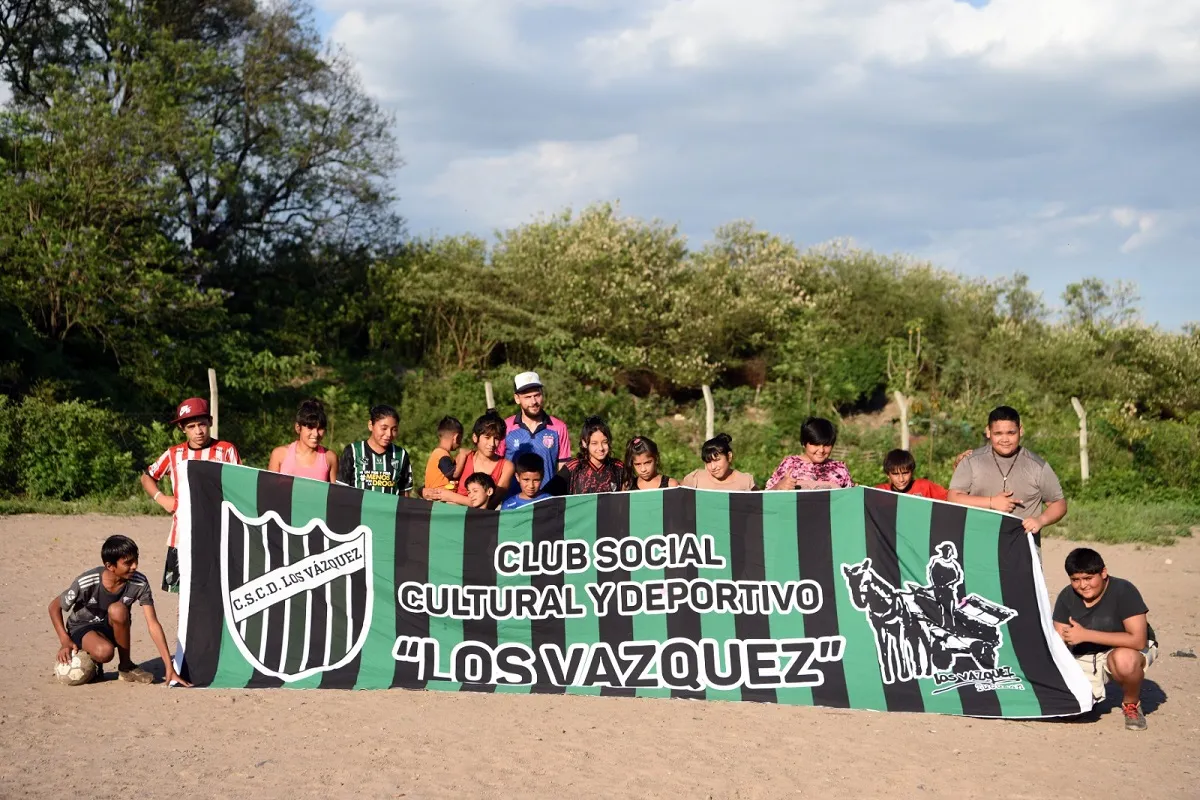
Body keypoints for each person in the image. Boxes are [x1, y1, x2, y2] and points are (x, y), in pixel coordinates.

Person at [49, 535, 190, 686]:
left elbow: (153, 624)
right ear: (110, 566)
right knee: (105, 652)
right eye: (128, 563)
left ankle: (126, 667)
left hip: (111, 627)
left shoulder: (139, 583)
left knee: (118, 609)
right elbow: (54, 607)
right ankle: (89, 657)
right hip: (82, 627)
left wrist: (170, 667)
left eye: (136, 560)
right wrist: (65, 640)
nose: (135, 566)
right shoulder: (87, 581)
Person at [141, 396, 241, 592]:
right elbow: (147, 477)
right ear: (182, 428)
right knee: (182, 594)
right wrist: (161, 498)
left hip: (218, 533)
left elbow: (239, 485)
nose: (198, 431)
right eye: (192, 426)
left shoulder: (226, 451)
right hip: (181, 535)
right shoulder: (173, 454)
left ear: (210, 422)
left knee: (218, 591)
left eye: (202, 424)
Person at [1053, 547, 1158, 731]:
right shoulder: (1066, 596)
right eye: (1075, 580)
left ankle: (1131, 704)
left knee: (1124, 660)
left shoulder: (1124, 590)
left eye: (1088, 578)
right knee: (1069, 712)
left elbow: (1138, 641)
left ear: (1103, 572)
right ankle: (1089, 698)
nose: (1082, 585)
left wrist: (1085, 635)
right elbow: (1058, 641)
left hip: (1126, 649)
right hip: (1084, 654)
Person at [947, 405, 1067, 534]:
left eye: (1011, 433)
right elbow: (953, 498)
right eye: (998, 433)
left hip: (1022, 546)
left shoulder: (1038, 466)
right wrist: (992, 502)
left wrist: (1040, 520)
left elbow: (1059, 504)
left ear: (1020, 430)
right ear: (988, 432)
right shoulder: (970, 461)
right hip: (978, 542)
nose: (1005, 439)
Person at [497, 371, 570, 495]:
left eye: (537, 395)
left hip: (548, 500)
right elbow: (496, 465)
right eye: (527, 397)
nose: (534, 401)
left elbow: (564, 469)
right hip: (512, 502)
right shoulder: (506, 427)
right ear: (517, 398)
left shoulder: (559, 427)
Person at [434, 413, 514, 504]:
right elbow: (443, 484)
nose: (492, 443)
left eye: (496, 438)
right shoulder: (464, 457)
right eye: (487, 437)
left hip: (481, 517)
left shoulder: (506, 467)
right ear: (475, 438)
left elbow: (490, 505)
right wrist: (423, 491)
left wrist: (451, 497)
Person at [336, 405, 414, 496]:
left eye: (394, 429)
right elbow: (341, 490)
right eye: (384, 428)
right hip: (358, 510)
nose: (389, 434)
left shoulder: (401, 454)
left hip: (389, 510)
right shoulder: (353, 451)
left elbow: (404, 493)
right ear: (370, 425)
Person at [765, 417, 853, 490]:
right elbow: (764, 497)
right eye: (816, 444)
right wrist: (778, 487)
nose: (821, 450)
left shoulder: (840, 469)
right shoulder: (789, 465)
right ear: (804, 443)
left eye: (826, 445)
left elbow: (850, 500)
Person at [549, 415, 624, 495]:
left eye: (605, 442)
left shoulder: (618, 468)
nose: (601, 448)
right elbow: (547, 494)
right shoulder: (574, 468)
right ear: (584, 443)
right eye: (594, 443)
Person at [268, 398, 337, 482]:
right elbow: (270, 490)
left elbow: (333, 493)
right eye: (310, 427)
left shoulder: (330, 458)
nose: (315, 434)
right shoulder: (279, 454)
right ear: (298, 428)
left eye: (320, 428)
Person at [681, 433, 756, 491]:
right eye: (708, 462)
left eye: (717, 460)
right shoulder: (695, 479)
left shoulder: (745, 481)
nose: (713, 467)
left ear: (729, 456)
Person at [874, 448, 948, 500]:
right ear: (888, 474)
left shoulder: (925, 486)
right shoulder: (880, 491)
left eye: (905, 473)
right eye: (895, 474)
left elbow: (950, 498)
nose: (901, 479)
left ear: (912, 471)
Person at [422, 416, 463, 495]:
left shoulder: (440, 453)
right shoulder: (441, 454)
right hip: (439, 499)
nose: (460, 443)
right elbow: (452, 474)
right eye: (460, 438)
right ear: (456, 437)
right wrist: (463, 456)